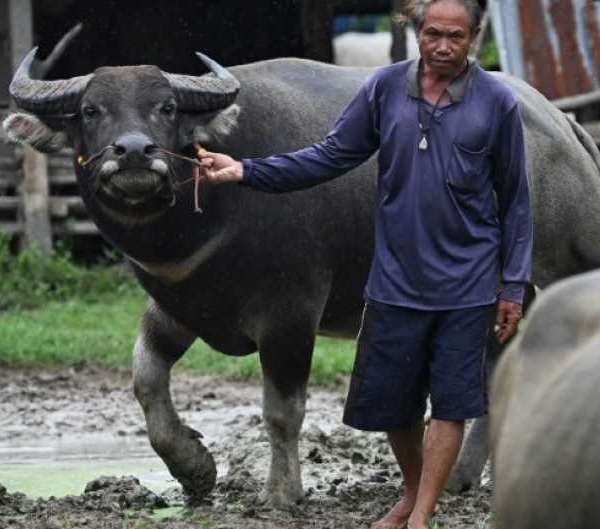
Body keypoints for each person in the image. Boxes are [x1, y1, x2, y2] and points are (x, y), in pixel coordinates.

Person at [198, 1, 532, 527]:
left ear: (475, 37)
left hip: (466, 286)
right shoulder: (383, 89)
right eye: (434, 35)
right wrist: (246, 169)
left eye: (457, 38)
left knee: (450, 405)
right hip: (395, 281)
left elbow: (515, 202)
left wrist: (512, 285)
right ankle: (412, 492)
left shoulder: (497, 103)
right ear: (417, 31)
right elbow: (329, 155)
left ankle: (420, 514)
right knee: (394, 408)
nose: (443, 47)